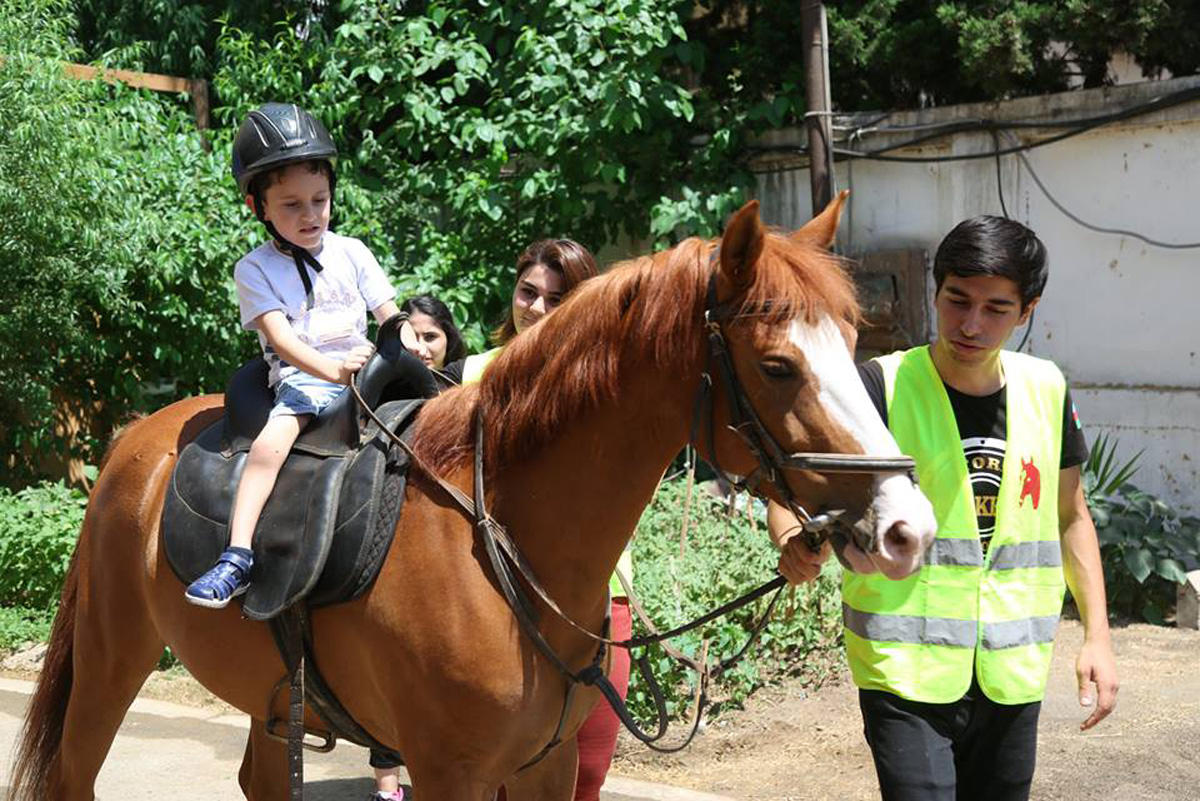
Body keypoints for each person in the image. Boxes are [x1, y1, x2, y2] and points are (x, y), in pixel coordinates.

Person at [770, 216, 1118, 801]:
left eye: (996, 308)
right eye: (957, 300)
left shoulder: (1046, 388)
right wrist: (787, 539)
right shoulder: (879, 385)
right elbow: (792, 485)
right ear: (936, 292)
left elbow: (1070, 516)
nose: (972, 324)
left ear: (1026, 311)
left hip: (1011, 675)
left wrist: (1098, 639)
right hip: (903, 672)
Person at [184, 103, 413, 611]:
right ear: (258, 208)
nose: (310, 215)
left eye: (319, 199)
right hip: (305, 377)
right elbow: (281, 339)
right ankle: (238, 556)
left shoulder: (352, 250)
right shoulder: (254, 269)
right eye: (291, 205)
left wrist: (406, 337)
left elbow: (387, 310)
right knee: (271, 445)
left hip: (365, 365)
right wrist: (333, 371)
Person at [449, 239, 627, 801]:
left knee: (587, 776)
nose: (538, 310)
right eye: (529, 292)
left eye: (558, 299)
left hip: (597, 600)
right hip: (490, 604)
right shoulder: (468, 377)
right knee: (497, 779)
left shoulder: (609, 388)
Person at [365, 293, 465, 801]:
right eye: (413, 338)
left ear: (449, 340)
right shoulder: (388, 387)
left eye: (432, 337)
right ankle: (388, 787)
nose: (423, 349)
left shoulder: (465, 388)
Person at [401, 294, 467, 375]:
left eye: (430, 337)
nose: (421, 348)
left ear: (449, 338)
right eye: (412, 338)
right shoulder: (385, 384)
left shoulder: (469, 380)